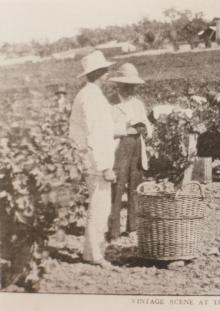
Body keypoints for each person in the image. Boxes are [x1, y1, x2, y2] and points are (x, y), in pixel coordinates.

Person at [68, 50, 116, 267]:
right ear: (100, 73)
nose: (107, 74)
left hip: (90, 159)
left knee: (99, 205)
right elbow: (96, 133)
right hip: (96, 162)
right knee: (99, 206)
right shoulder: (92, 97)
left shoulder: (87, 95)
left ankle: (95, 250)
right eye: (105, 70)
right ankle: (94, 254)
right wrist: (105, 165)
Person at [108, 63, 153, 240]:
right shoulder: (110, 104)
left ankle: (132, 227)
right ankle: (114, 231)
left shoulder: (137, 104)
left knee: (135, 186)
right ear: (118, 85)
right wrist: (126, 127)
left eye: (132, 86)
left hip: (137, 146)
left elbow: (149, 125)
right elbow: (106, 128)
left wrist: (145, 129)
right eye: (126, 85)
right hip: (120, 147)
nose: (130, 89)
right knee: (117, 188)